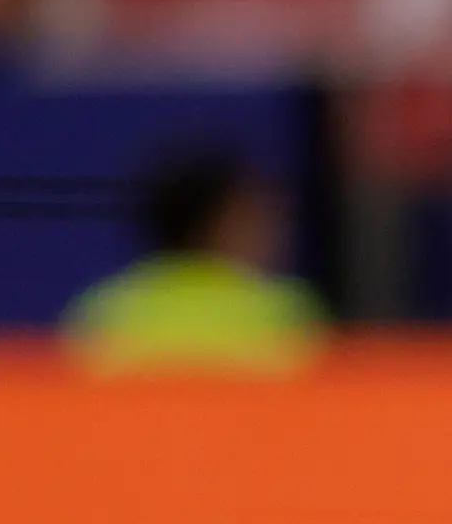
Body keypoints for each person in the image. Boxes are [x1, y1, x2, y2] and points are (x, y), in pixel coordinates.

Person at [63, 146, 325, 374]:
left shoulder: (104, 309)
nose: (274, 231)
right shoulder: (283, 312)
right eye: (252, 217)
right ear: (214, 224)